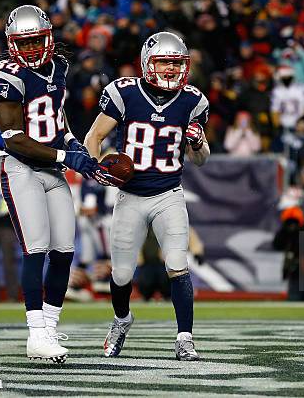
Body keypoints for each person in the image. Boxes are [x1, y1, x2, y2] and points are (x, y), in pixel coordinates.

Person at [0, 5, 101, 363]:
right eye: (24, 42)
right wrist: (66, 158)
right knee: (36, 248)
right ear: (11, 43)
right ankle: (35, 332)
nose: (32, 48)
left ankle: (49, 329)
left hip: (52, 170)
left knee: (64, 250)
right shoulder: (6, 75)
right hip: (22, 169)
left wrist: (77, 148)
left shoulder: (59, 67)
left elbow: (58, 122)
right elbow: (13, 138)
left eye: (37, 40)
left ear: (48, 37)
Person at [84, 31, 210, 361]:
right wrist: (97, 167)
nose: (170, 69)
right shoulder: (125, 92)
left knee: (177, 264)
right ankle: (121, 320)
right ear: (147, 63)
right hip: (130, 195)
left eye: (176, 63)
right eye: (163, 62)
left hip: (169, 193)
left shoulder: (192, 101)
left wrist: (197, 142)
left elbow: (201, 158)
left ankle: (185, 338)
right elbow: (94, 136)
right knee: (122, 274)